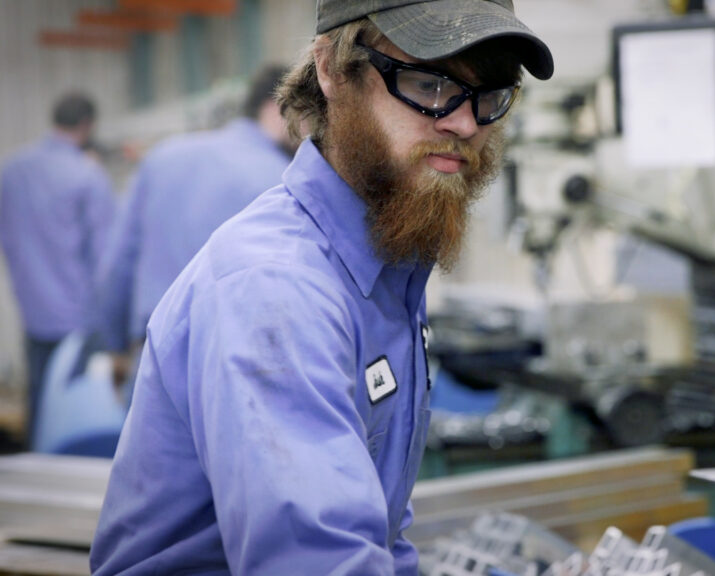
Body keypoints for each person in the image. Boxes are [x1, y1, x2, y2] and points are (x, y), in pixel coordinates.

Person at [90, 1, 553, 574]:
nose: (463, 123)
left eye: (490, 97)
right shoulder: (277, 292)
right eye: (428, 84)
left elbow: (379, 536)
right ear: (332, 70)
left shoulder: (384, 267)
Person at [92, 65, 296, 391]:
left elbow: (117, 265)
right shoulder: (283, 180)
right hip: (241, 375)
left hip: (153, 365)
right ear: (277, 109)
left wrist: (115, 347)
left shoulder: (162, 158)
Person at [0, 92, 114, 446]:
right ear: (87, 125)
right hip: (79, 322)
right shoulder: (87, 175)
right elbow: (106, 257)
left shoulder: (12, 170)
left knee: (39, 411)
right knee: (79, 421)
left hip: (33, 315)